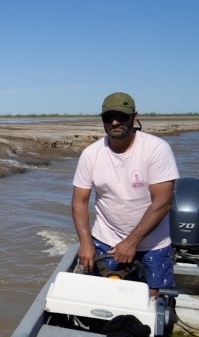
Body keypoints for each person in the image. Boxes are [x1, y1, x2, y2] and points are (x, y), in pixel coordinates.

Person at [72, 92, 180, 297]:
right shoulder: (91, 154)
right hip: (105, 241)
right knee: (102, 298)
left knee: (152, 301)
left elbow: (163, 202)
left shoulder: (157, 149)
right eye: (108, 117)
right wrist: (85, 243)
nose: (114, 122)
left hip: (152, 245)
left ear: (134, 117)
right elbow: (79, 202)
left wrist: (131, 242)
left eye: (121, 116)